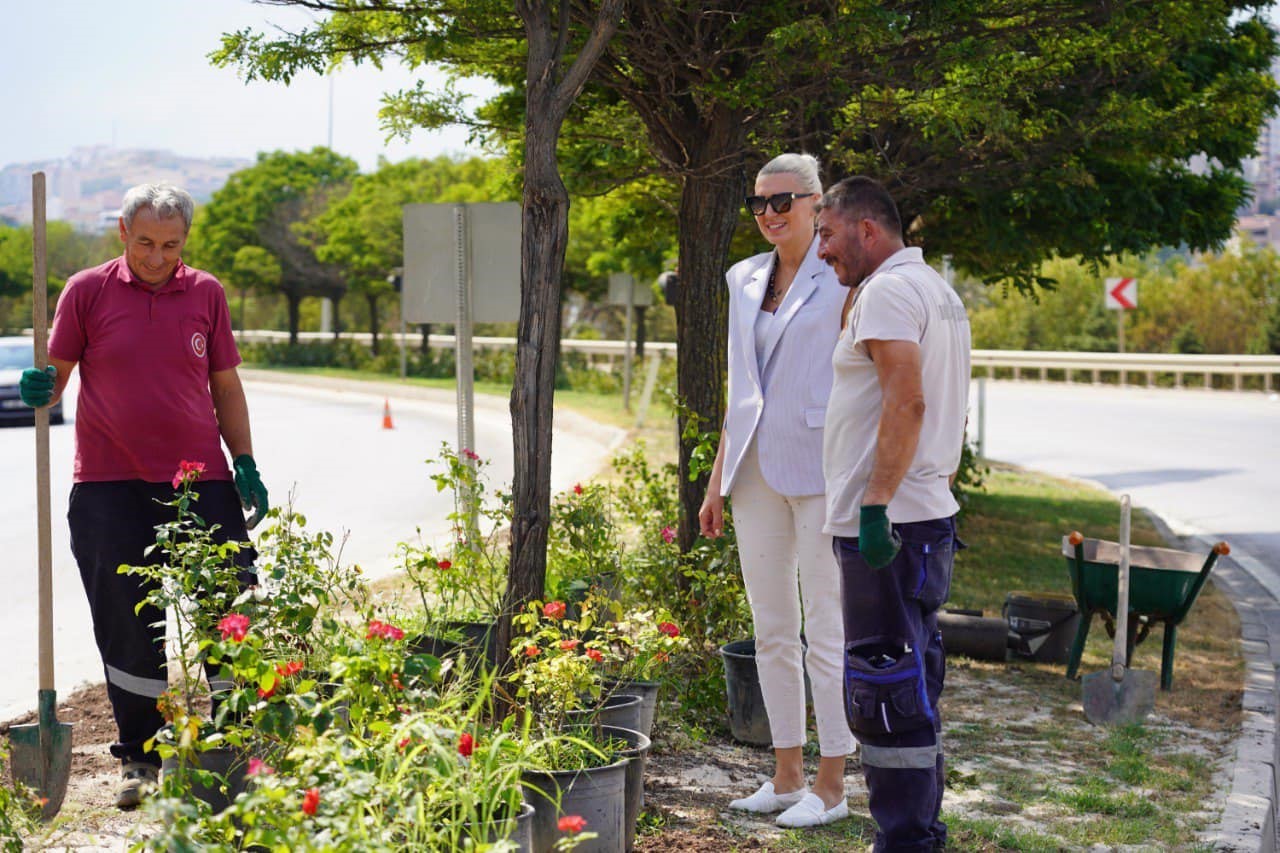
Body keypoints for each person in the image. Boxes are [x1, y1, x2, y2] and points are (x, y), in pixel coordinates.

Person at [18, 183, 269, 810]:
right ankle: (141, 759)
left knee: (230, 613)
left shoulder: (205, 292)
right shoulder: (86, 291)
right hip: (109, 487)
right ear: (123, 234)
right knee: (130, 629)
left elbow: (226, 387)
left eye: (172, 244)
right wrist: (37, 388)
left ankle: (237, 747)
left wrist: (244, 461)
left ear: (185, 240)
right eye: (146, 242)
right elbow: (55, 385)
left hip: (199, 484)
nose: (158, 257)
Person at [815, 175, 970, 852]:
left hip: (889, 526)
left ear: (867, 229)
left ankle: (905, 840)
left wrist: (875, 503)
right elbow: (946, 406)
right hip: (924, 519)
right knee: (912, 678)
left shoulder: (886, 292)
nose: (821, 251)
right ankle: (919, 832)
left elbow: (907, 401)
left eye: (826, 233)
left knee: (884, 686)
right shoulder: (936, 289)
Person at [699, 153, 855, 829]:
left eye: (783, 201)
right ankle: (787, 774)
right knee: (770, 629)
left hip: (824, 467)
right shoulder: (742, 278)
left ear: (817, 203)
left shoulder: (844, 274)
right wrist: (717, 478)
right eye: (758, 203)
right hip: (754, 470)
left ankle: (833, 782)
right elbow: (743, 389)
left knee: (827, 626)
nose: (768, 213)